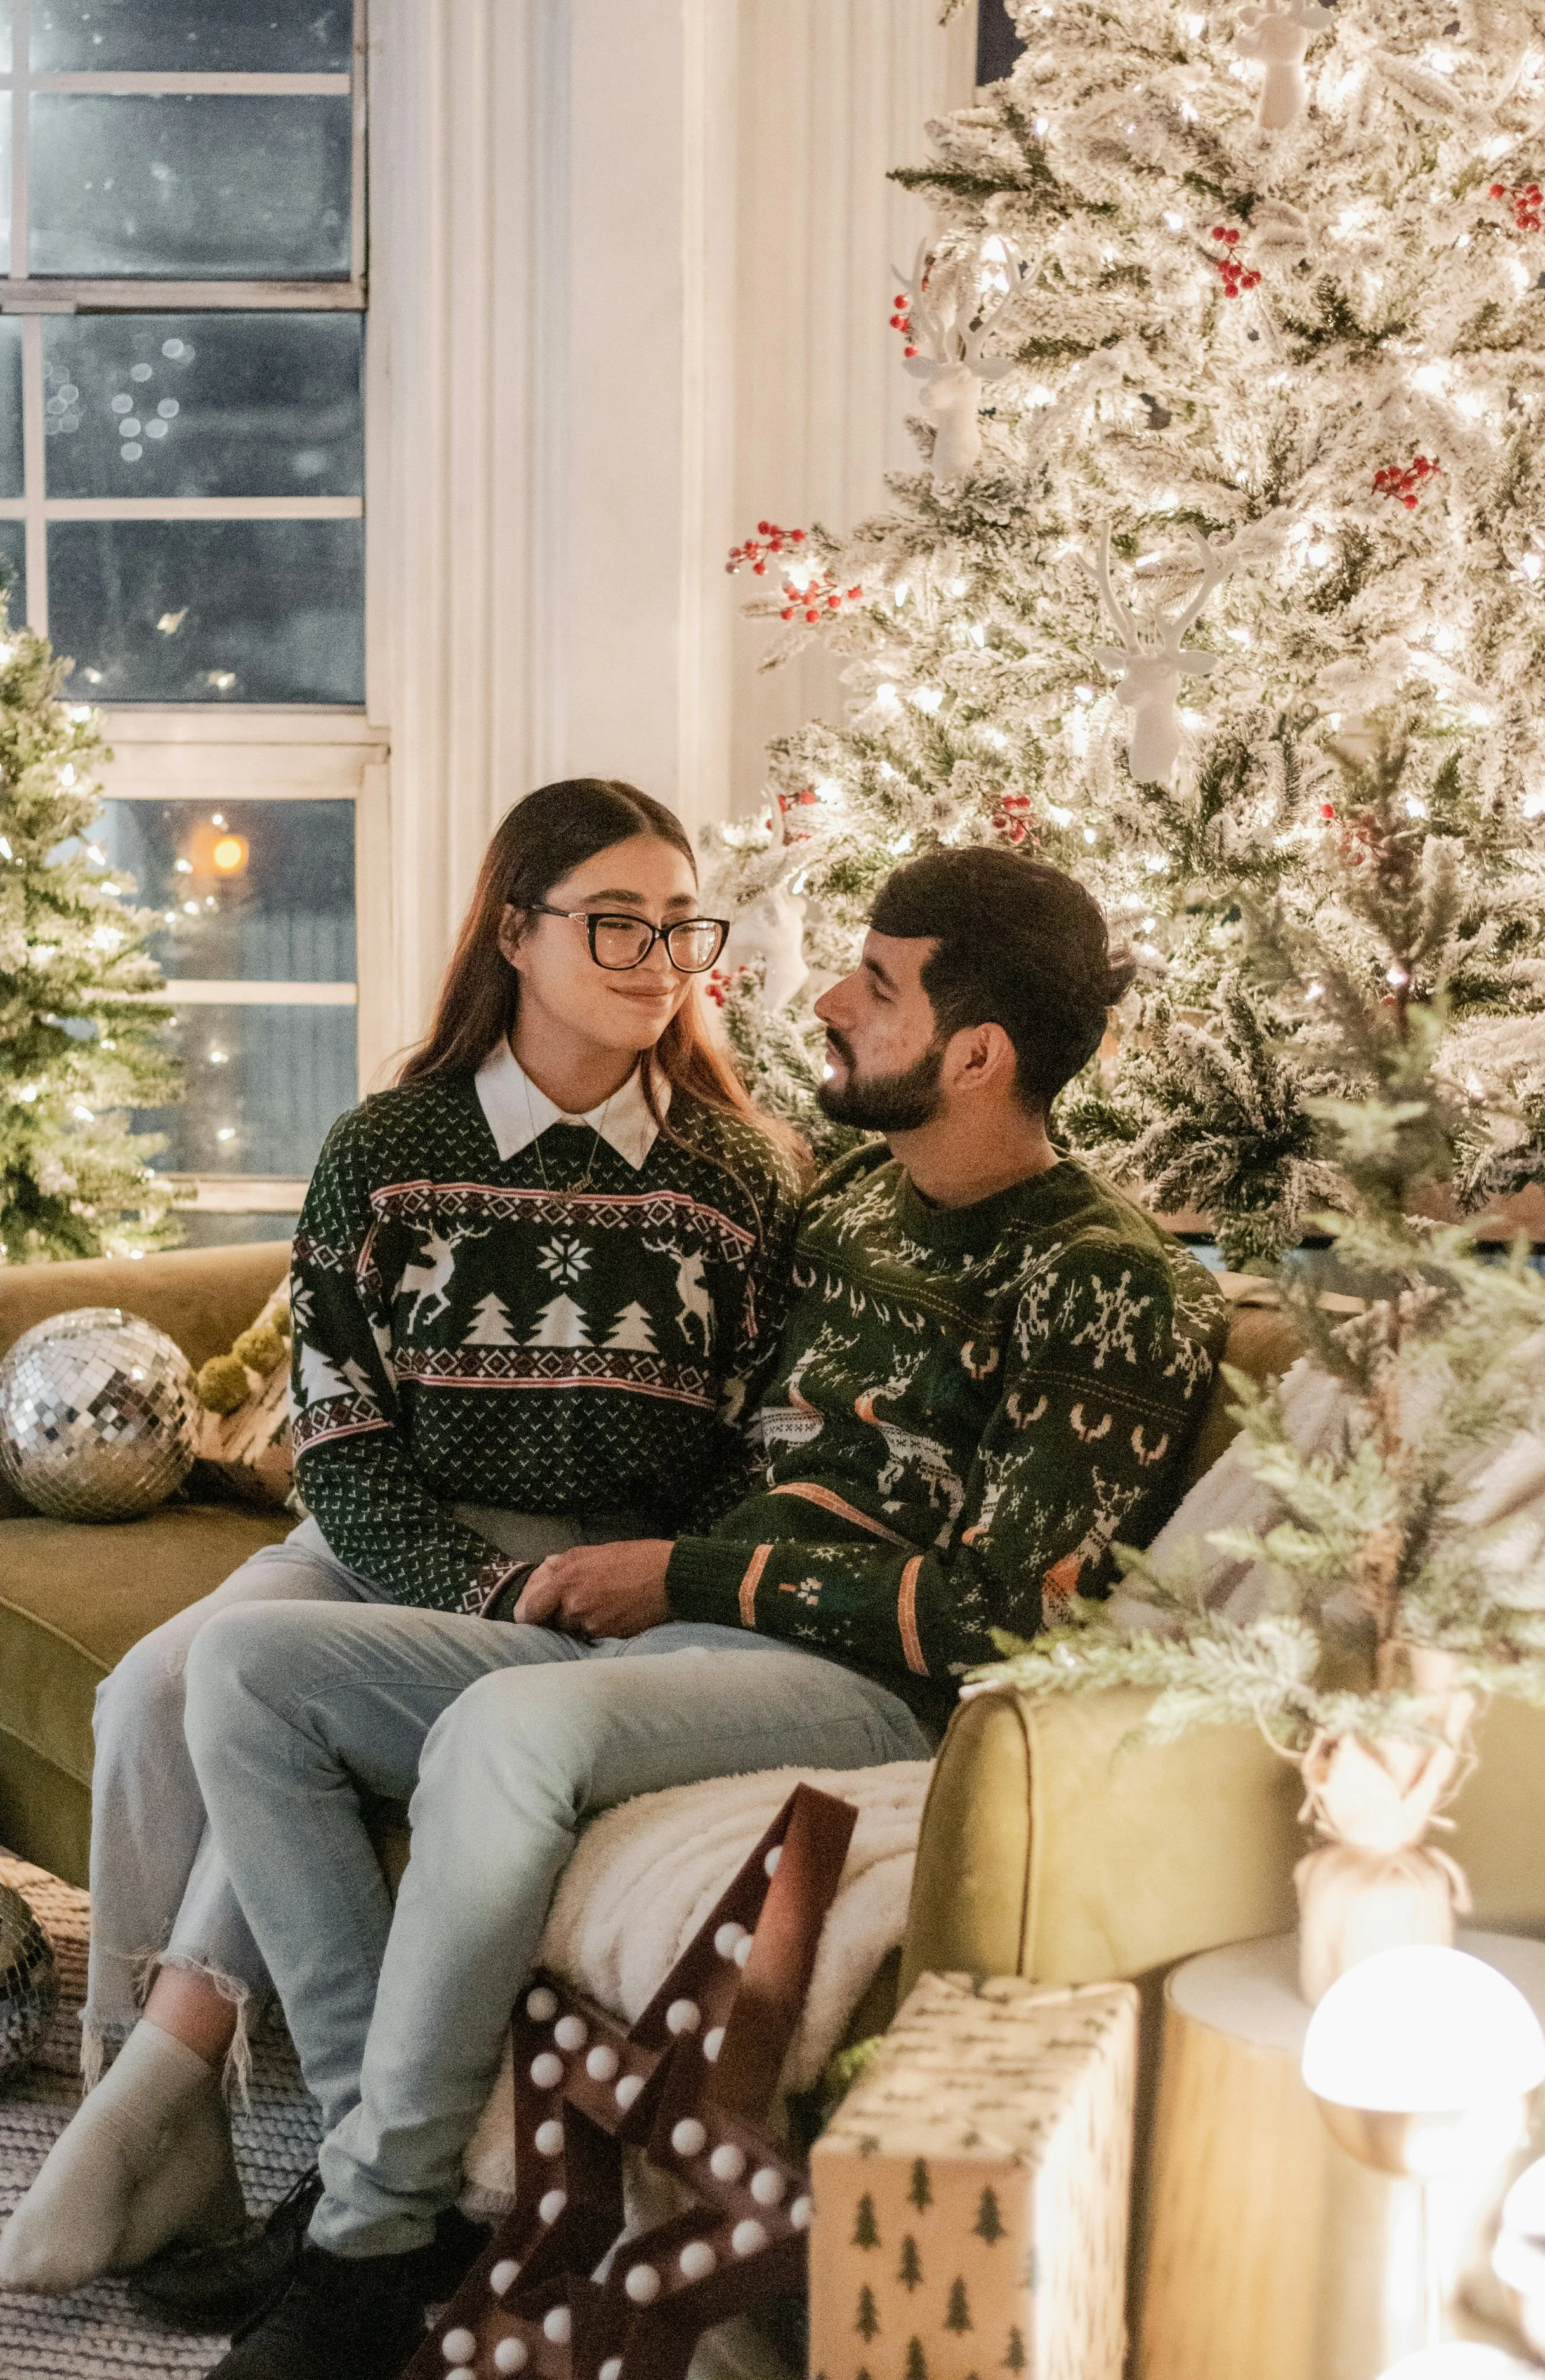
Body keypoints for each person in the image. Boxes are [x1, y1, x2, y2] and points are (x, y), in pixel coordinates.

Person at [149, 845, 1230, 2380]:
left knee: (511, 1729)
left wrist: (683, 1573)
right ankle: (380, 2177)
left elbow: (1004, 1617)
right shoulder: (849, 1193)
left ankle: (366, 2245)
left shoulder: (1108, 1283)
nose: (829, 1002)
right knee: (250, 1670)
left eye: (877, 984)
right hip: (693, 1648)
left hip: (864, 1686)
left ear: (975, 1052)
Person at [0, 777, 803, 2301]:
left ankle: (200, 2122)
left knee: (258, 1690)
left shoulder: (736, 1177)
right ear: (514, 928)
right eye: (612, 922)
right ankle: (154, 2106)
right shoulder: (386, 1148)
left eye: (679, 927)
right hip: (390, 1539)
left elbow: (748, 1459)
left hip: (604, 1580)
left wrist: (612, 1595)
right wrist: (479, 1588)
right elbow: (345, 1448)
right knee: (149, 1697)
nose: (656, 959)